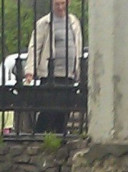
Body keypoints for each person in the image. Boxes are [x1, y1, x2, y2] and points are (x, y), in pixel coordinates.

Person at [25, 0, 82, 134]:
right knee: (49, 109)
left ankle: (60, 136)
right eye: (57, 4)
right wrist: (30, 70)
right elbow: (35, 47)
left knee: (64, 110)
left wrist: (78, 68)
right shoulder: (44, 23)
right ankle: (39, 136)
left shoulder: (74, 22)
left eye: (63, 3)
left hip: (69, 73)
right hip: (50, 73)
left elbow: (78, 44)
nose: (60, 7)